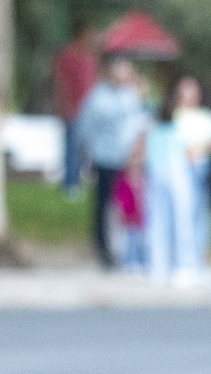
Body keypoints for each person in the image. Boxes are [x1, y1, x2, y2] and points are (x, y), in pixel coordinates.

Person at [76, 56, 145, 270]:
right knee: (104, 206)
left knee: (128, 206)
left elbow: (140, 125)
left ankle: (130, 251)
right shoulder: (98, 96)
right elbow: (85, 127)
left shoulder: (134, 96)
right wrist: (88, 154)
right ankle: (104, 250)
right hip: (105, 158)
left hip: (128, 161)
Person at [145, 80, 200, 287]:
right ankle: (182, 266)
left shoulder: (157, 125)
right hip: (174, 172)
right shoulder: (179, 125)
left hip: (158, 170)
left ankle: (159, 266)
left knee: (160, 220)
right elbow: (191, 153)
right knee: (180, 221)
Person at [52, 19, 100, 198]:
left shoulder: (90, 58)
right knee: (72, 146)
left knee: (83, 148)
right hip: (72, 109)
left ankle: (77, 181)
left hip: (88, 111)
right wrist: (65, 106)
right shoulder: (67, 56)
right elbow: (61, 83)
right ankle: (70, 183)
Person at [172, 76, 211, 264]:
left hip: (202, 167)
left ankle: (198, 254)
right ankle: (182, 256)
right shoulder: (174, 115)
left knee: (199, 212)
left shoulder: (204, 115)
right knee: (182, 212)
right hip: (181, 168)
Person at [113, 137, 147, 275]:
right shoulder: (124, 181)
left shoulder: (144, 181)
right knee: (129, 240)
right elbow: (119, 198)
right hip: (128, 215)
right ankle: (129, 262)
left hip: (140, 217)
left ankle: (140, 261)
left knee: (140, 241)